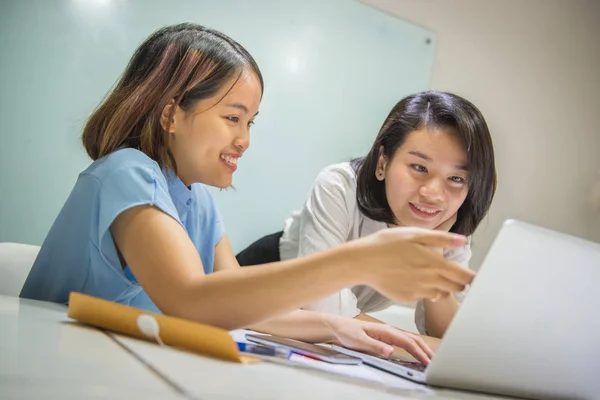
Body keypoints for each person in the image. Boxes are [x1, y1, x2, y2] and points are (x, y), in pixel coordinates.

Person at [20, 23, 474, 363]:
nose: (245, 140)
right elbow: (192, 300)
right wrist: (361, 259)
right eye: (233, 118)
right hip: (52, 363)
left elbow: (239, 309)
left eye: (249, 122)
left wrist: (337, 329)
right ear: (170, 114)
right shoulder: (127, 172)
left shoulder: (199, 202)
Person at [237, 91, 497, 338]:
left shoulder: (448, 225)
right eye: (419, 167)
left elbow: (447, 339)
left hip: (312, 327)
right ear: (383, 162)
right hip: (259, 279)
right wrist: (412, 346)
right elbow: (323, 305)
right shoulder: (339, 185)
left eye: (455, 178)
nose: (433, 193)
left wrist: (433, 256)